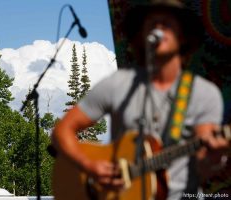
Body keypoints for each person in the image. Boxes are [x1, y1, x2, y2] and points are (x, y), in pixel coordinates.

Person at [52, 0, 228, 199]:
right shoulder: (117, 84)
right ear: (140, 35)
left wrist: (214, 156)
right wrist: (89, 166)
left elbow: (202, 165)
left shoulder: (203, 93)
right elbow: (61, 131)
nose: (158, 27)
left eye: (167, 22)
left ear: (183, 36)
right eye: (152, 22)